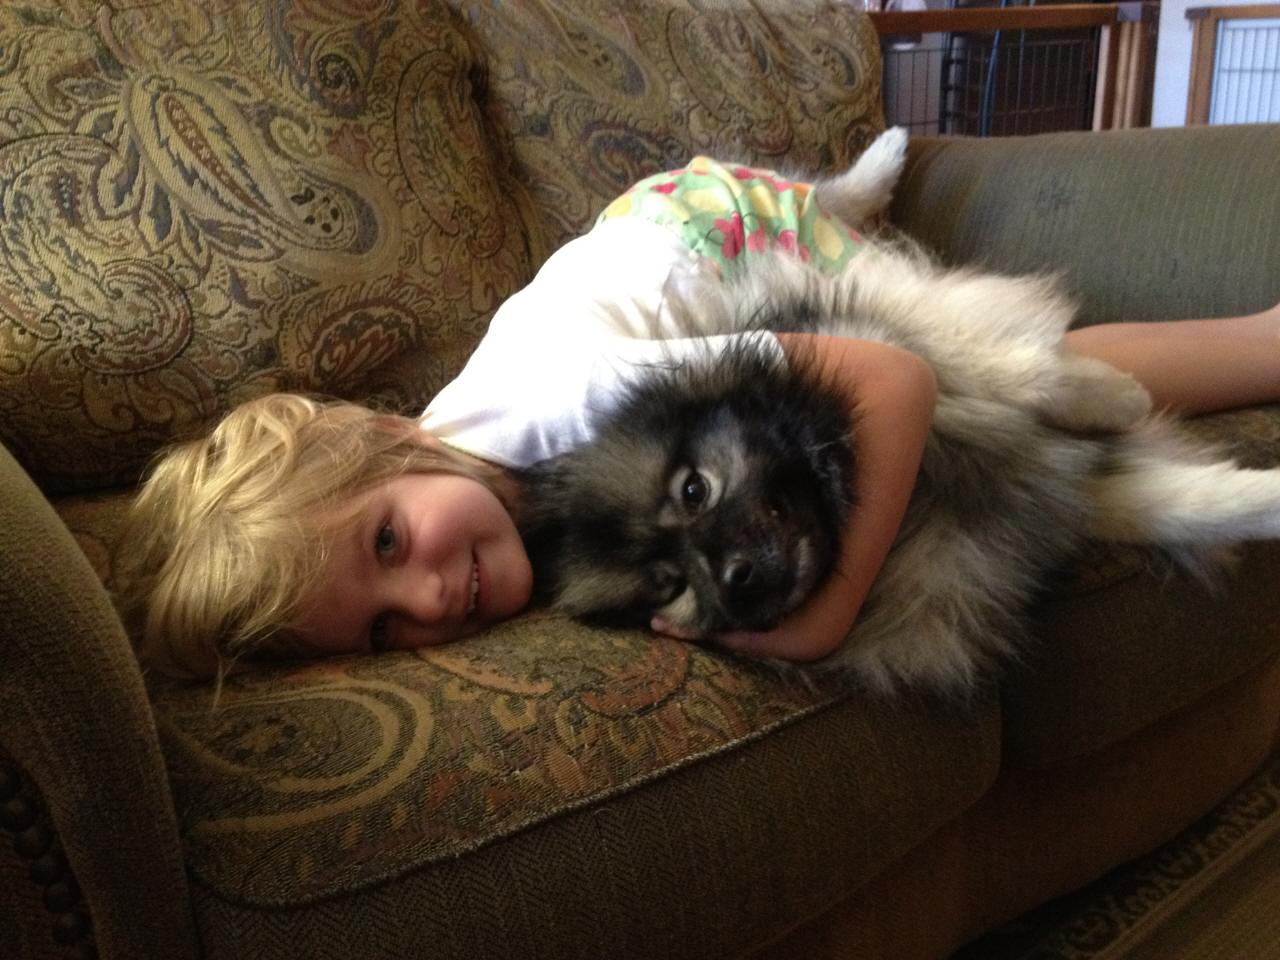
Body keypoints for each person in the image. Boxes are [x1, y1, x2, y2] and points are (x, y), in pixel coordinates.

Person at [115, 154, 1280, 681]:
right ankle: (848, 197)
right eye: (380, 631)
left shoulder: (562, 395)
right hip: (668, 290)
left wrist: (820, 623)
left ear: (395, 437)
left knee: (994, 358)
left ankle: (1260, 336)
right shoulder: (482, 509)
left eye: (385, 542)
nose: (424, 599)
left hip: (713, 230)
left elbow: (893, 381)